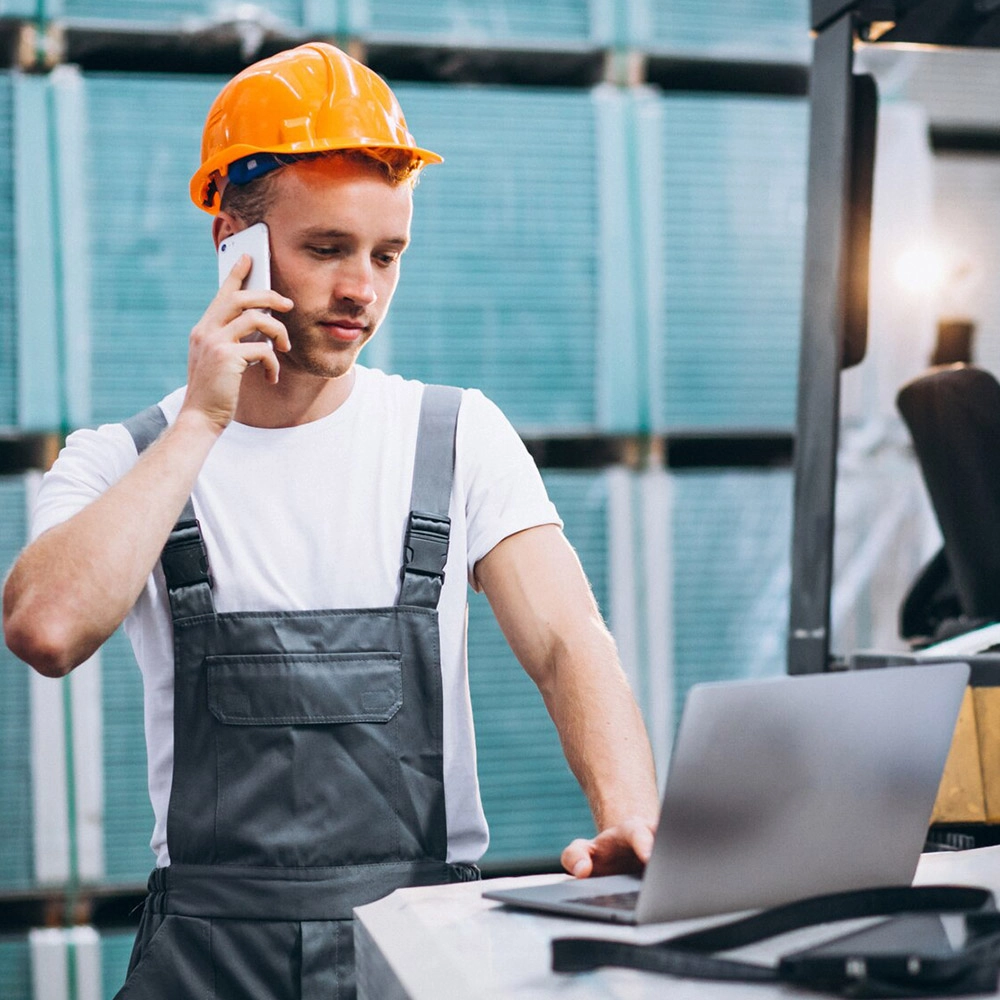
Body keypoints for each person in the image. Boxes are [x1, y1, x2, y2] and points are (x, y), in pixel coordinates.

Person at [2, 42, 659, 998]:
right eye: (326, 250)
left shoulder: (456, 436)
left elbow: (568, 642)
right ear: (233, 240)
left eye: (386, 255)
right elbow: (45, 629)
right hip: (209, 960)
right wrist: (200, 423)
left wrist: (631, 818)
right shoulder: (122, 461)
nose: (362, 290)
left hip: (421, 947)